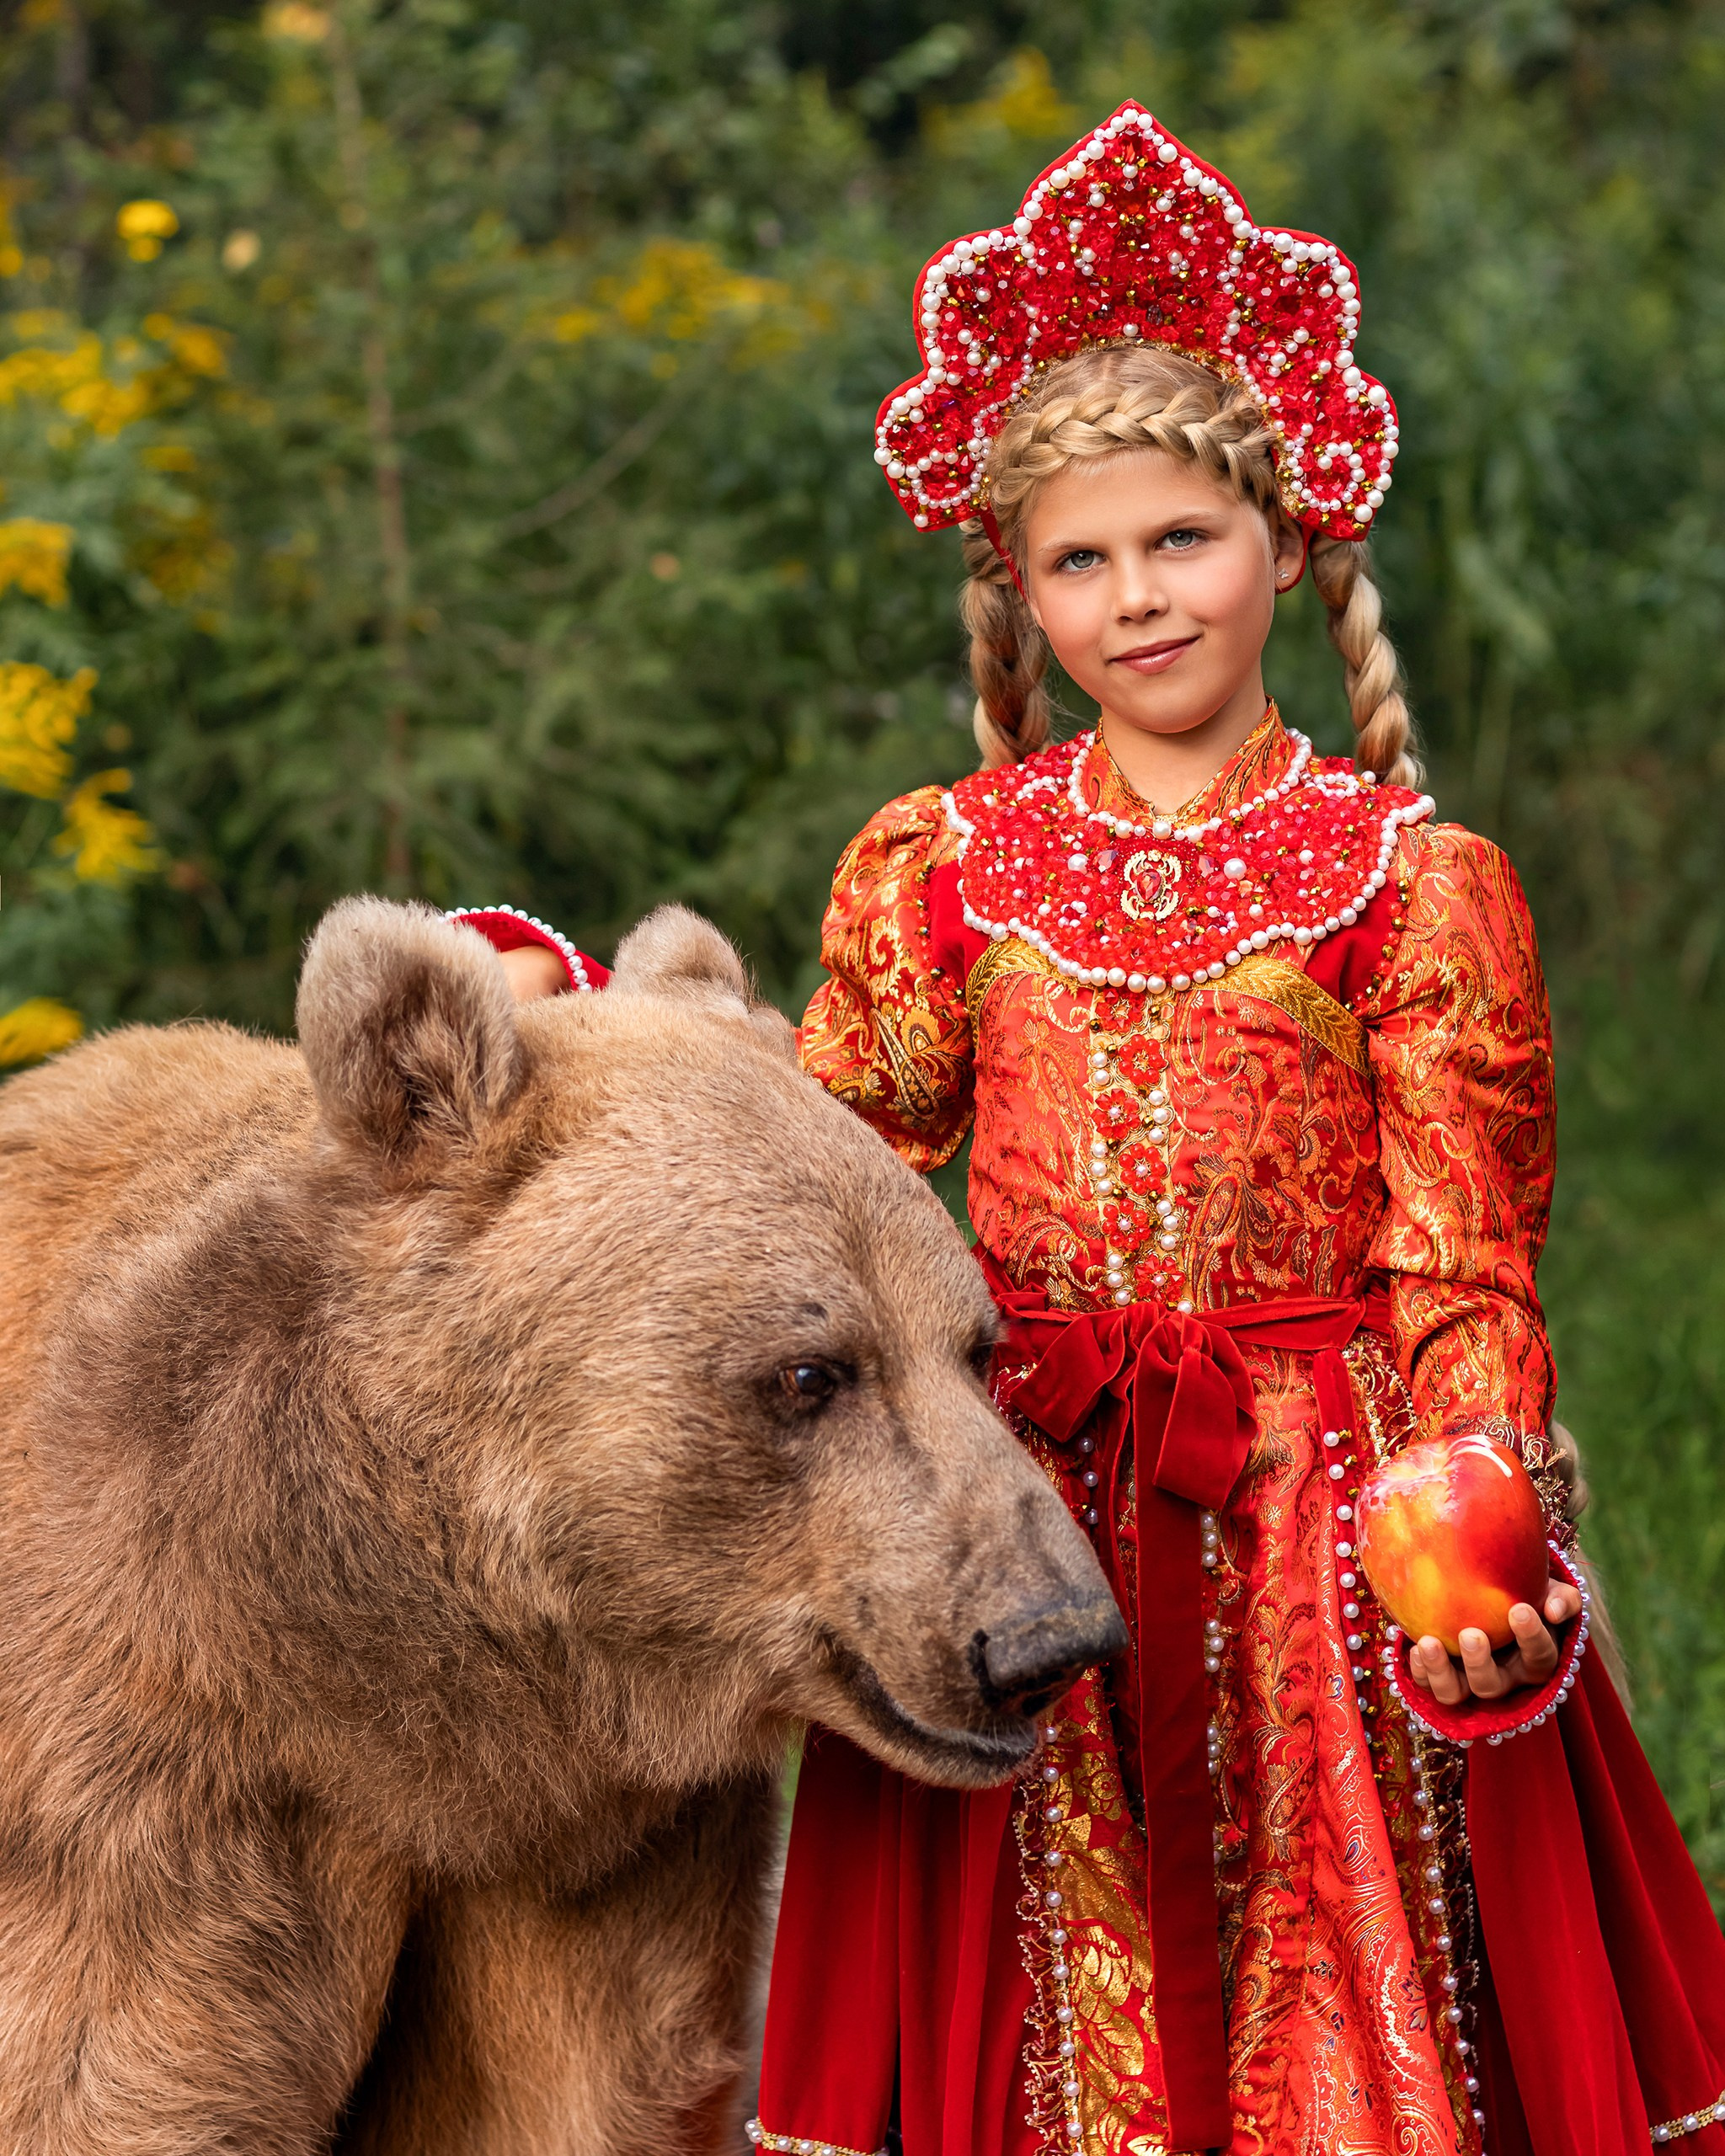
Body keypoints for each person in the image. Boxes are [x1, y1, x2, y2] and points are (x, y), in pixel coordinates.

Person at [457, 101, 1725, 2156]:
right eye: (1079, 559)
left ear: (1288, 543)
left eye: (1179, 539)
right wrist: (582, 1030)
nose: (1138, 598)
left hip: (1321, 1511)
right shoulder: (942, 865)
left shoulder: (1414, 878)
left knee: (1326, 1952)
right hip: (1010, 1480)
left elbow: (1457, 1255)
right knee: (1040, 2015)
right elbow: (831, 1139)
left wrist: (1485, 1498)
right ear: (1018, 596)